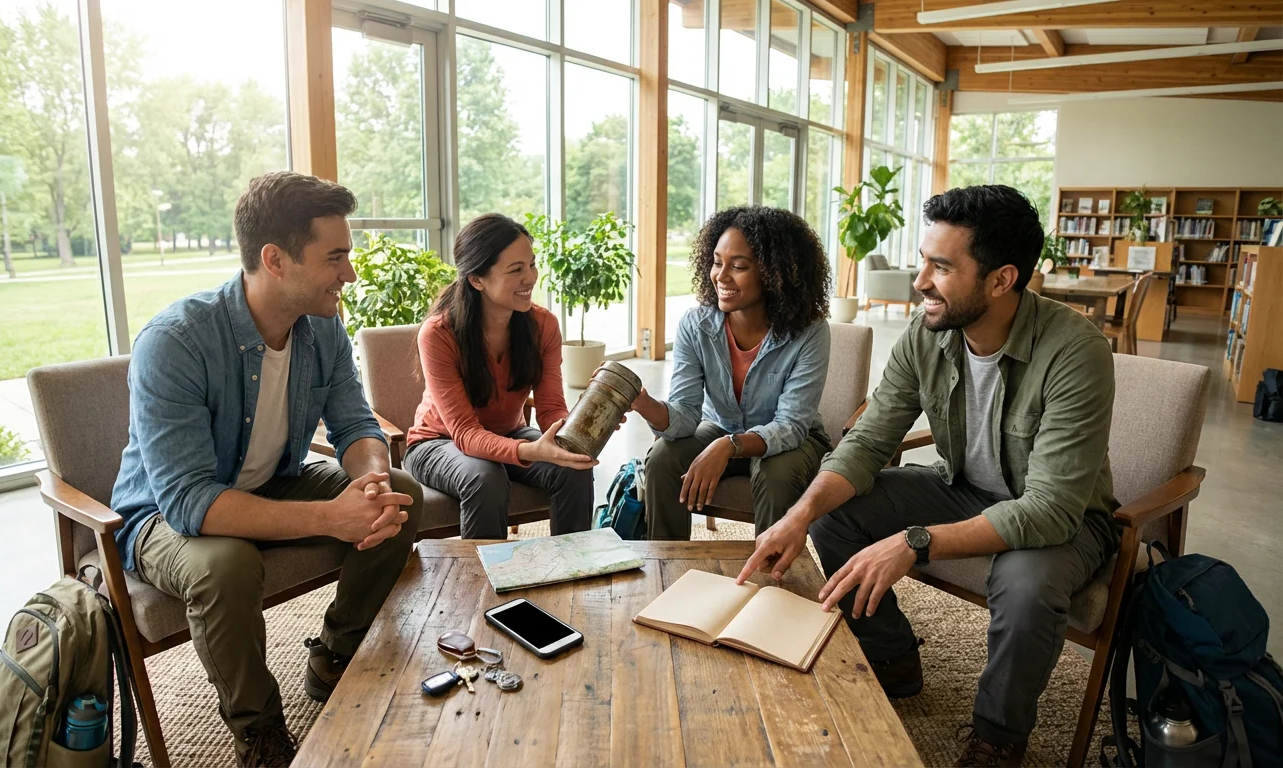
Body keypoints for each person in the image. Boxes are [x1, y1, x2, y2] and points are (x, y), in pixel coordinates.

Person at [738, 185, 1119, 767]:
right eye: (923, 260)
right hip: (963, 487)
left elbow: (1050, 508)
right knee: (835, 509)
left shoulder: (1076, 351)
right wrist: (799, 515)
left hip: (1062, 518)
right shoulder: (928, 332)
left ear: (1001, 279)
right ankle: (891, 656)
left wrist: (915, 541)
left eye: (940, 266)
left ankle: (998, 736)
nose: (919, 281)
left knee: (1026, 587)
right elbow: (867, 442)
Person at [109, 171, 424, 767]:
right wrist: (333, 518)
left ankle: (335, 653)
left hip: (270, 479)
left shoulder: (323, 325)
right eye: (335, 257)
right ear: (274, 259)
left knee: (402, 495)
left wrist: (371, 482)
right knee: (225, 565)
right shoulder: (175, 342)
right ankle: (258, 729)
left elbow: (356, 424)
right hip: (162, 515)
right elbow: (190, 503)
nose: (350, 273)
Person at [631, 206, 833, 540]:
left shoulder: (809, 331)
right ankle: (664, 569)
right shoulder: (695, 326)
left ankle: (770, 580)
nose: (721, 276)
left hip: (793, 441)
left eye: (738, 266)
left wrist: (728, 446)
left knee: (776, 472)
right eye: (716, 262)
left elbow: (791, 426)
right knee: (664, 457)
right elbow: (685, 414)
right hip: (720, 428)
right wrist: (644, 404)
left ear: (773, 273)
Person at [403, 213, 596, 539]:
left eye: (532, 265)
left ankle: (572, 570)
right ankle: (482, 586)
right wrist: (528, 451)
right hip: (436, 443)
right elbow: (465, 433)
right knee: (485, 477)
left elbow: (551, 409)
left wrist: (581, 429)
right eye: (515, 270)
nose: (531, 278)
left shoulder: (542, 325)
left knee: (573, 467)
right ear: (477, 280)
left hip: (509, 433)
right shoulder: (438, 333)